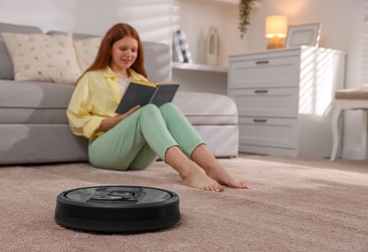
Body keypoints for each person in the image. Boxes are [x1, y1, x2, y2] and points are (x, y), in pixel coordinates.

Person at [67, 23, 248, 192]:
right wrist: (116, 121)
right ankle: (188, 171)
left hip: (137, 159)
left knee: (167, 108)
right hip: (105, 151)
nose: (129, 54)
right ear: (109, 48)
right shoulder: (91, 78)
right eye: (123, 49)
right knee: (148, 110)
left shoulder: (140, 80)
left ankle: (212, 166)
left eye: (133, 50)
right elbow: (76, 118)